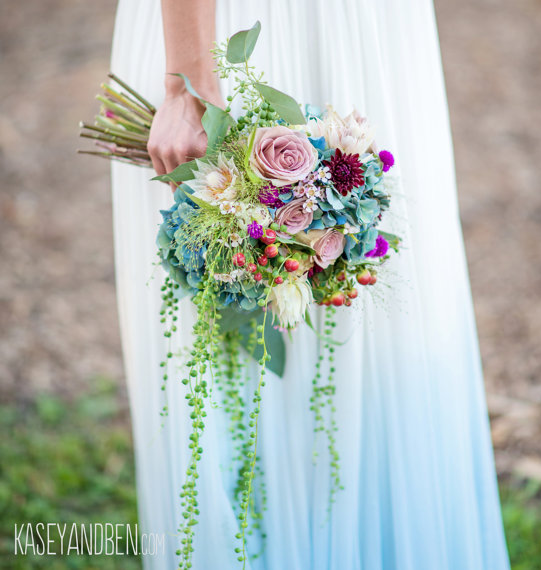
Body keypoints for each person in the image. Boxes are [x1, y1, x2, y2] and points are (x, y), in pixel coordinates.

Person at [111, 1, 511, 568]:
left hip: (365, 31)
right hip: (243, 30)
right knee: (228, 320)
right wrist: (186, 86)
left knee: (380, 313)